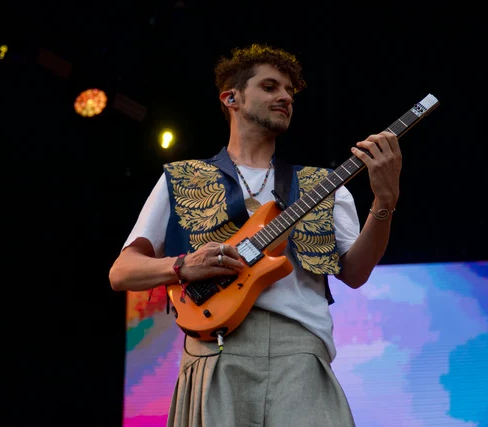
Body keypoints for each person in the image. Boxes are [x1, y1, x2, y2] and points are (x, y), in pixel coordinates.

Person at [108, 43, 402, 427]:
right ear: (232, 98)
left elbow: (356, 272)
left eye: (289, 92)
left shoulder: (324, 186)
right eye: (270, 87)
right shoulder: (180, 178)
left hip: (300, 352)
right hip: (213, 353)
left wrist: (384, 201)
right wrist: (183, 265)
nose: (285, 97)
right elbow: (121, 272)